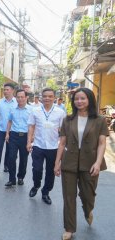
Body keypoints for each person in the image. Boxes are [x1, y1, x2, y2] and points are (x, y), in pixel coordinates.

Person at [54, 88, 108, 240]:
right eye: (77, 99)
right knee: (69, 197)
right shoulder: (68, 119)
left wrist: (98, 163)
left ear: (89, 100)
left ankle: (88, 209)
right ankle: (69, 228)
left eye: (83, 98)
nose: (79, 101)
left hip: (90, 163)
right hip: (69, 162)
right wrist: (57, 163)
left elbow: (102, 143)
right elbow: (62, 143)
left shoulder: (100, 120)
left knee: (88, 195)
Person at [27, 88, 66, 205]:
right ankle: (36, 185)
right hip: (38, 145)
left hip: (53, 147)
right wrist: (29, 141)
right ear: (41, 97)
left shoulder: (60, 112)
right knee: (37, 169)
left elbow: (63, 131)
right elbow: (31, 127)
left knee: (50, 172)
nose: (47, 98)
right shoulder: (35, 111)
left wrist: (62, 145)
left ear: (54, 97)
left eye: (50, 96)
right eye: (45, 96)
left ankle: (46, 192)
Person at [4, 89, 32, 187]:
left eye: (22, 97)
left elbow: (33, 125)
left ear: (26, 97)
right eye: (18, 97)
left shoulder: (31, 110)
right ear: (16, 98)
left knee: (23, 159)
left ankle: (20, 177)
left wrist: (31, 138)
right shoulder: (12, 109)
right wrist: (7, 133)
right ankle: (12, 179)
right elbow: (10, 121)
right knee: (11, 158)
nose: (20, 99)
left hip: (25, 137)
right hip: (14, 136)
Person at [0, 83, 17, 175]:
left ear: (12, 90)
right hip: (1, 129)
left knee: (9, 149)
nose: (5, 91)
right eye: (4, 89)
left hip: (12, 130)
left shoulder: (17, 102)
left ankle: (6, 165)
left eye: (7, 90)